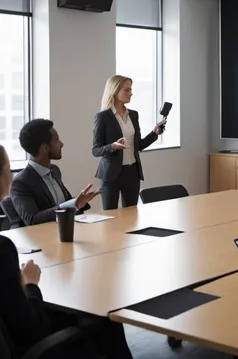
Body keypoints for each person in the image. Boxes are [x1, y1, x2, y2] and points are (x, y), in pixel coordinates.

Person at [0, 234, 133, 358]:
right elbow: (32, 331)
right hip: (35, 348)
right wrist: (30, 284)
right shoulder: (2, 249)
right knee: (102, 315)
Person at [92, 75, 166, 210]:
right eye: (126, 90)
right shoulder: (102, 117)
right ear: (115, 91)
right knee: (110, 217)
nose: (131, 93)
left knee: (131, 216)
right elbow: (96, 150)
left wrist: (154, 133)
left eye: (130, 90)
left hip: (132, 173)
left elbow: (139, 145)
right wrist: (112, 146)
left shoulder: (133, 115)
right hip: (110, 175)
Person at [10, 119, 99, 226]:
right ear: (45, 148)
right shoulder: (21, 183)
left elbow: (66, 202)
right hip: (43, 239)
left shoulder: (54, 171)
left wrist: (80, 202)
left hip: (66, 232)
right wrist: (74, 204)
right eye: (57, 140)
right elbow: (32, 220)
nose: (61, 144)